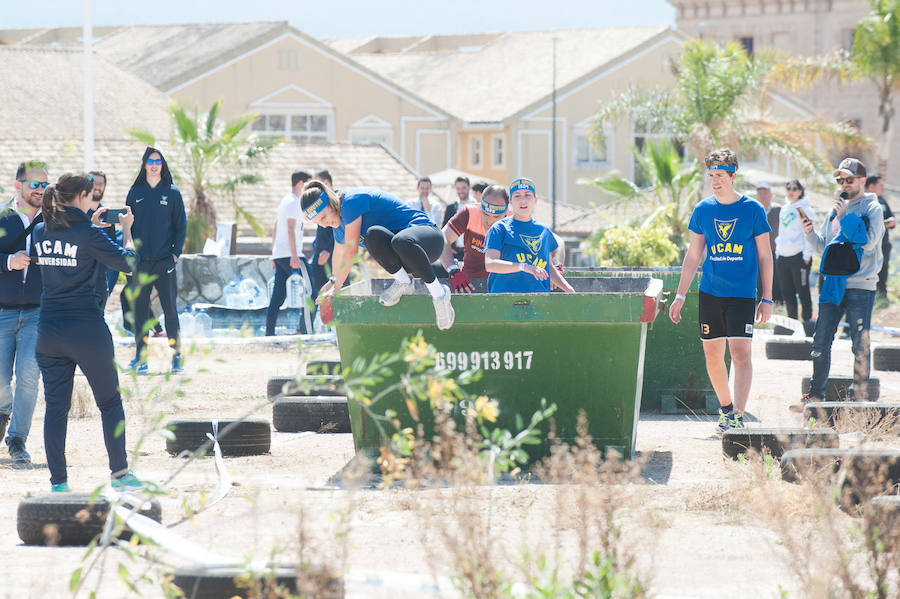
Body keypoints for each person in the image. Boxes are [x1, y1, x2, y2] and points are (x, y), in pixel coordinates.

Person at [33, 173, 142, 492]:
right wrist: (126, 231)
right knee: (110, 403)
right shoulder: (88, 233)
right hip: (86, 330)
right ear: (82, 194)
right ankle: (120, 474)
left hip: (49, 331)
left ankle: (58, 484)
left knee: (56, 410)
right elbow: (129, 263)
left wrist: (90, 226)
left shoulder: (41, 230)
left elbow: (68, 251)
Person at [669, 149, 773, 436]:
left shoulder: (753, 210)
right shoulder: (703, 209)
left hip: (741, 294)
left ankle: (738, 416)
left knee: (740, 353)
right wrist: (680, 295)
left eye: (720, 175)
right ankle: (726, 409)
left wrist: (767, 298)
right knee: (713, 356)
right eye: (711, 175)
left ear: (732, 176)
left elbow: (765, 256)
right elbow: (693, 256)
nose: (715, 180)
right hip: (710, 292)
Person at [301, 181, 455, 329]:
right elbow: (339, 253)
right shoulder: (339, 226)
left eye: (323, 217)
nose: (323, 224)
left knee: (399, 241)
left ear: (330, 202)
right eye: (318, 222)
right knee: (372, 236)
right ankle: (404, 283)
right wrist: (333, 281)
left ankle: (440, 294)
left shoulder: (350, 201)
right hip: (407, 255)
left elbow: (350, 251)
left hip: (429, 240)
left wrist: (337, 287)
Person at [794, 158, 884, 408]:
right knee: (821, 340)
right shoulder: (835, 209)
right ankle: (815, 394)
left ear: (862, 180)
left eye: (849, 179)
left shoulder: (872, 208)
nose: (844, 184)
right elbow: (824, 247)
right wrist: (809, 232)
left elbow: (868, 241)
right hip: (832, 284)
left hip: (860, 284)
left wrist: (845, 217)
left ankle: (857, 396)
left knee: (859, 342)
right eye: (840, 180)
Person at [0, 161, 47, 467]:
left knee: (29, 376)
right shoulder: (2, 217)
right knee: (2, 381)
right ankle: (4, 412)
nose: (41, 191)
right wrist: (8, 261)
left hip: (38, 313)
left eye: (45, 185)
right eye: (35, 185)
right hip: (2, 312)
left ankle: (17, 440)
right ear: (18, 186)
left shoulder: (55, 220)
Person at [126, 147, 187, 374]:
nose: (154, 165)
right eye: (150, 161)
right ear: (144, 165)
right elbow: (127, 227)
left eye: (158, 161)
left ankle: (177, 356)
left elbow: (181, 226)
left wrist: (175, 254)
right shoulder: (135, 192)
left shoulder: (172, 192)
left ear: (162, 165)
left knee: (170, 310)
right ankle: (141, 358)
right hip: (141, 262)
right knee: (141, 312)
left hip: (164, 261)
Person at [483, 178, 574, 294]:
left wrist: (569, 289)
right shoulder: (499, 229)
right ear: (510, 201)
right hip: (504, 300)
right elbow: (490, 264)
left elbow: (549, 267)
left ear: (535, 200)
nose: (523, 200)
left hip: (539, 300)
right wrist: (524, 267)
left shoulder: (544, 231)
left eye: (527, 195)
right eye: (517, 196)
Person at [440, 184, 509, 293]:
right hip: (468, 283)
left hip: (501, 285)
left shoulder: (514, 221)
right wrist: (453, 270)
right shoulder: (470, 212)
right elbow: (442, 238)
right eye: (485, 214)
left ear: (506, 213)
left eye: (496, 217)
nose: (489, 222)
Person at [266, 171, 310, 336]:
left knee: (278, 296)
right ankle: (306, 330)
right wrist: (294, 255)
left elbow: (276, 225)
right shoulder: (293, 202)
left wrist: (274, 254)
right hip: (290, 254)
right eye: (307, 184)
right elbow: (290, 229)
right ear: (300, 183)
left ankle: (269, 333)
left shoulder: (286, 201)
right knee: (311, 288)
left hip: (280, 254)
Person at [774, 179, 815, 323]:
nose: (791, 191)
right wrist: (778, 252)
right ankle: (791, 323)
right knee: (787, 292)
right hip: (783, 256)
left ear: (801, 191)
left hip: (799, 256)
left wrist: (806, 255)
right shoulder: (784, 209)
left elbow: (809, 233)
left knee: (803, 291)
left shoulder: (805, 210)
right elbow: (781, 232)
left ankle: (807, 322)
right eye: (788, 188)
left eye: (795, 188)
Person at [85, 170, 120, 308]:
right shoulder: (78, 212)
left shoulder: (107, 214)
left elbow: (111, 250)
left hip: (100, 281)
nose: (97, 187)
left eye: (101, 183)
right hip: (79, 281)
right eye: (94, 183)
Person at [866, 175, 895, 297]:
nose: (882, 188)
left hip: (884, 243)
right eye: (880, 185)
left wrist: (892, 222)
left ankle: (882, 294)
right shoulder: (864, 202)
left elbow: (891, 216)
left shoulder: (882, 201)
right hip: (869, 245)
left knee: (883, 269)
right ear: (871, 186)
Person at [309, 170, 336, 302]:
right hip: (319, 256)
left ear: (326, 182)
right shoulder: (321, 202)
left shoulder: (336, 200)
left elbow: (340, 230)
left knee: (337, 294)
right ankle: (309, 324)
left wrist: (327, 250)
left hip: (332, 257)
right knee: (316, 297)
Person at [756, 182, 783, 303]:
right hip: (758, 250)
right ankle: (758, 301)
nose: (762, 195)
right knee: (758, 278)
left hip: (775, 250)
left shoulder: (779, 210)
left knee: (776, 277)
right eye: (760, 193)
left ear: (771, 195)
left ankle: (777, 303)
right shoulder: (754, 210)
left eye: (765, 192)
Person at [443, 176, 472, 262]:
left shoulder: (476, 205)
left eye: (463, 188)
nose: (461, 191)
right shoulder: (451, 207)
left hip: (472, 253)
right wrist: (449, 248)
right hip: (455, 253)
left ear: (469, 187)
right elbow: (444, 229)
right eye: (458, 188)